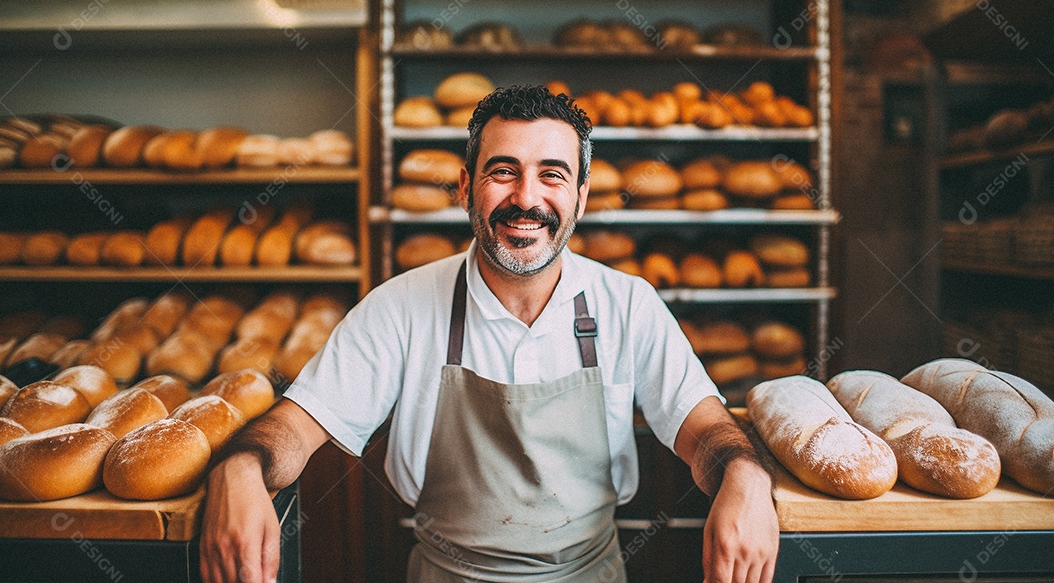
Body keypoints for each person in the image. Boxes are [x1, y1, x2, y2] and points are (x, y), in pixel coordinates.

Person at [200, 85, 779, 583]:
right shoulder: (400, 308)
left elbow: (703, 429)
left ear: (579, 197)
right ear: (464, 186)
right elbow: (296, 427)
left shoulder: (627, 305)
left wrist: (745, 475)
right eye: (503, 172)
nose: (526, 198)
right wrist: (241, 466)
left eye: (551, 175)